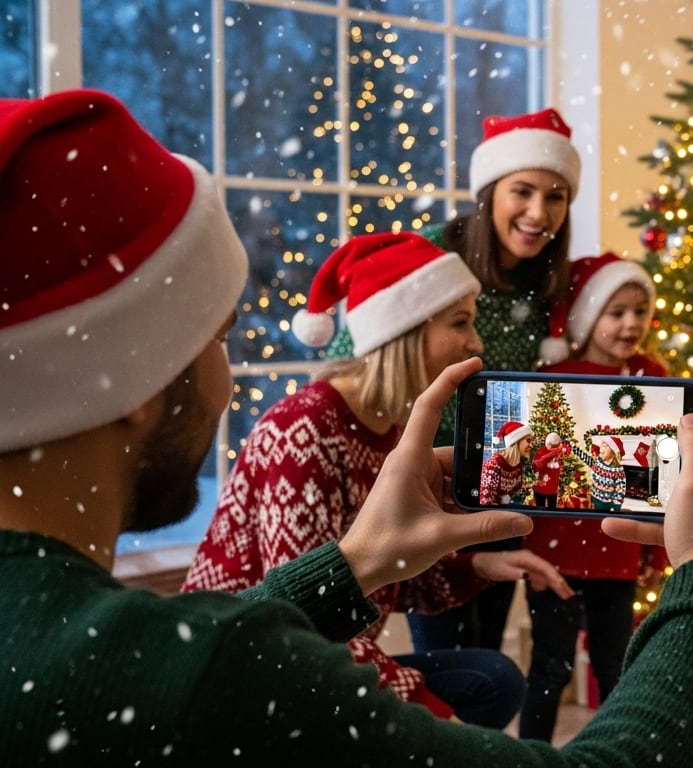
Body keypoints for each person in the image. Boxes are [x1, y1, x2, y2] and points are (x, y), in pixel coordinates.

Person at [0, 88, 693, 765]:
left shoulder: (91, 649)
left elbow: (198, 653)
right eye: (218, 337)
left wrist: (354, 562)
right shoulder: (212, 673)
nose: (230, 376)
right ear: (135, 373)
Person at [180, 231, 570, 726]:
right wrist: (432, 721)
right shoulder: (303, 430)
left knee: (492, 679)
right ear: (402, 335)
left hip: (315, 654)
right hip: (251, 674)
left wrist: (479, 568)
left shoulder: (392, 433)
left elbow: (388, 570)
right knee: (458, 707)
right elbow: (307, 624)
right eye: (460, 323)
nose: (477, 342)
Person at [404, 106, 583, 655]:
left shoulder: (549, 280)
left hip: (503, 482)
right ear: (490, 193)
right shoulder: (432, 255)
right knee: (446, 665)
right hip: (429, 487)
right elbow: (355, 358)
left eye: (555, 197)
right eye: (523, 191)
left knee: (486, 658)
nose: (538, 212)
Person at [517, 252, 670, 740]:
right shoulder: (556, 378)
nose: (631, 324)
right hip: (554, 552)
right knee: (550, 667)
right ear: (588, 317)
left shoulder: (654, 378)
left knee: (615, 665)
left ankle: (614, 750)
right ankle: (533, 755)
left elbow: (664, 474)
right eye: (616, 312)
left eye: (639, 312)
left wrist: (658, 545)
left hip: (618, 549)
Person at [480, 420, 535, 506]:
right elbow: (485, 502)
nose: (532, 445)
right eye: (528, 440)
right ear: (515, 442)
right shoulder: (493, 466)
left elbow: (516, 489)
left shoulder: (518, 467)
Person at [531, 431, 571, 508]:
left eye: (556, 446)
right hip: (540, 488)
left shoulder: (559, 450)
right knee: (540, 510)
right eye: (553, 446)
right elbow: (535, 468)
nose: (554, 448)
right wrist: (553, 453)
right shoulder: (541, 451)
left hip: (553, 489)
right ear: (548, 444)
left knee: (552, 510)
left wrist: (560, 451)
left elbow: (567, 451)